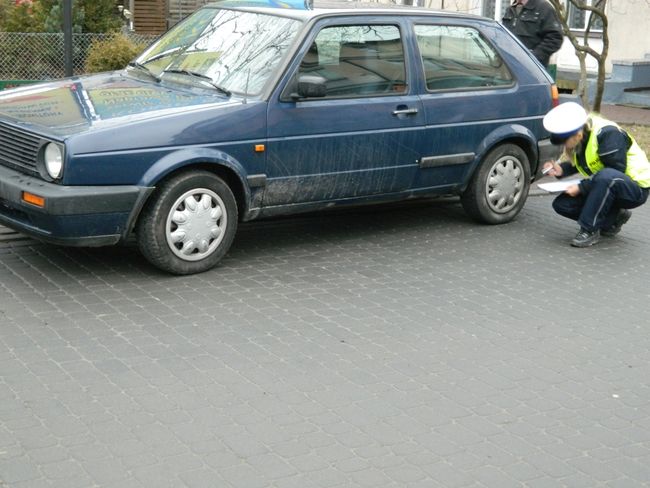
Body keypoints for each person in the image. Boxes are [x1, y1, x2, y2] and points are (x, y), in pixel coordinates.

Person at [542, 102, 650, 247]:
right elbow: (589, 162)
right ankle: (615, 217)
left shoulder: (608, 134)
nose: (564, 146)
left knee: (606, 176)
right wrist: (561, 170)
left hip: (635, 190)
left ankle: (589, 230)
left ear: (577, 135)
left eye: (564, 142)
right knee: (562, 204)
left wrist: (582, 188)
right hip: (607, 186)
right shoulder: (584, 134)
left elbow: (614, 171)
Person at [502, 0, 563, 68]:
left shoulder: (544, 8)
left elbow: (555, 38)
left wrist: (533, 57)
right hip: (509, 67)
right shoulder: (510, 9)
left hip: (533, 69)